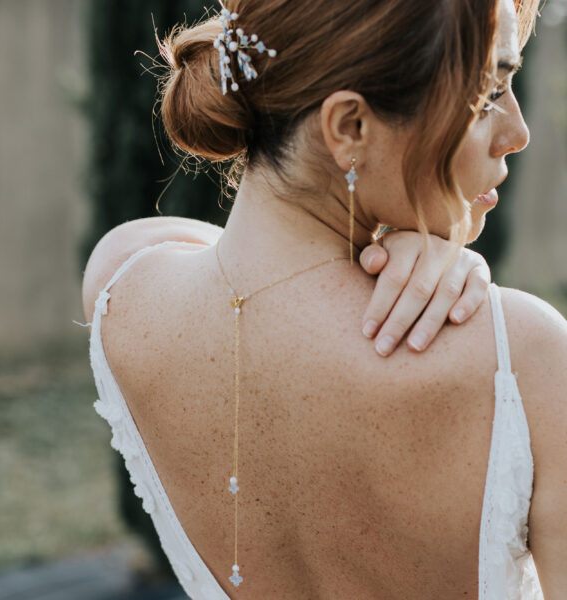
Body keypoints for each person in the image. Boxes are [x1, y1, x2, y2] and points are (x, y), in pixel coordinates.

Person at [82, 0, 566, 597]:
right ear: (350, 129)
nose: (517, 134)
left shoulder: (122, 290)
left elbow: (198, 245)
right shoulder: (522, 358)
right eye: (489, 93)